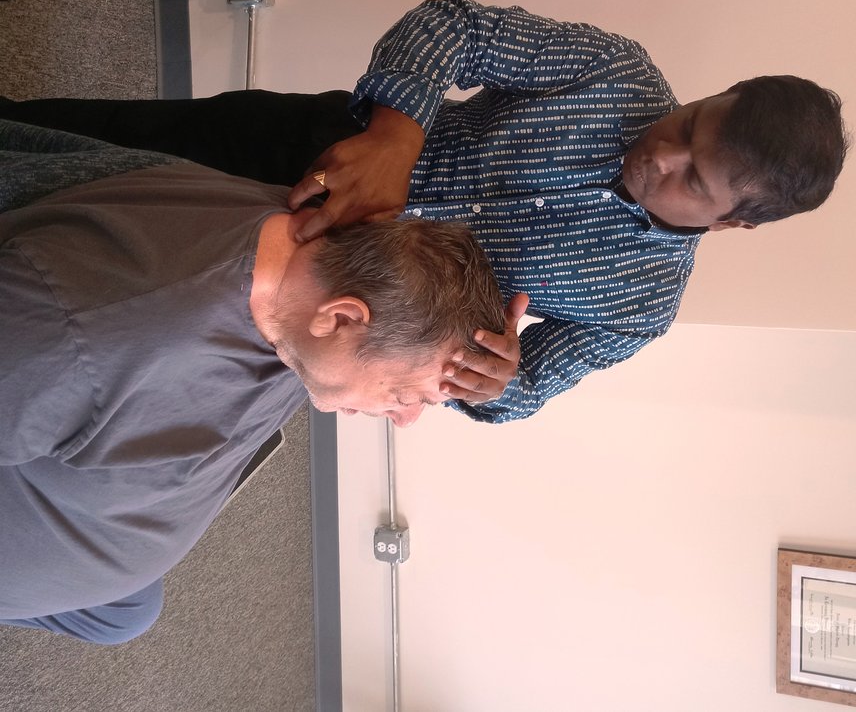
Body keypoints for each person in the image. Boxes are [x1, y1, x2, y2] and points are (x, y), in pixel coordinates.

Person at [0, 0, 850, 423]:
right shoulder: (615, 73)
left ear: (732, 223)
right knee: (92, 146)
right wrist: (397, 137)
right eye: (691, 122)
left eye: (695, 180)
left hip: (316, 302)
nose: (663, 153)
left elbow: (526, 389)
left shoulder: (641, 305)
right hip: (311, 148)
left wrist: (498, 381)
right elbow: (454, 27)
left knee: (102, 291)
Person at [0, 119, 505, 644]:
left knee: (124, 617)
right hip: (54, 518)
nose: (404, 418)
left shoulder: (301, 275)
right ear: (340, 318)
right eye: (405, 396)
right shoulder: (84, 334)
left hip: (105, 559)